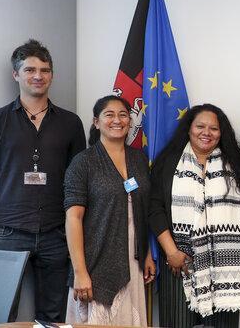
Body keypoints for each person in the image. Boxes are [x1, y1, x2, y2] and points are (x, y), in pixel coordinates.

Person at [0, 39, 85, 322]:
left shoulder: (71, 123)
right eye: (30, 69)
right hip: (8, 233)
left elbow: (80, 188)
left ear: (52, 75)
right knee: (1, 312)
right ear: (16, 74)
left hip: (57, 234)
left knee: (53, 317)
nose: (38, 76)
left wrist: (78, 244)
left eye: (44, 70)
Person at [148, 104, 240, 328]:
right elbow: (155, 209)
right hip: (178, 262)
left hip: (224, 268)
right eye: (200, 126)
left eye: (214, 128)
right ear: (189, 129)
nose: (207, 132)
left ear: (221, 133)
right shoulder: (168, 162)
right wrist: (171, 252)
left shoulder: (236, 166)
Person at [63, 95, 155, 326]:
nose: (117, 120)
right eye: (109, 115)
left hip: (133, 260)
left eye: (123, 114)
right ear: (96, 122)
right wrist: (80, 272)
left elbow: (142, 210)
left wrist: (145, 254)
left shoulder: (139, 158)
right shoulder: (83, 162)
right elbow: (73, 217)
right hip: (96, 262)